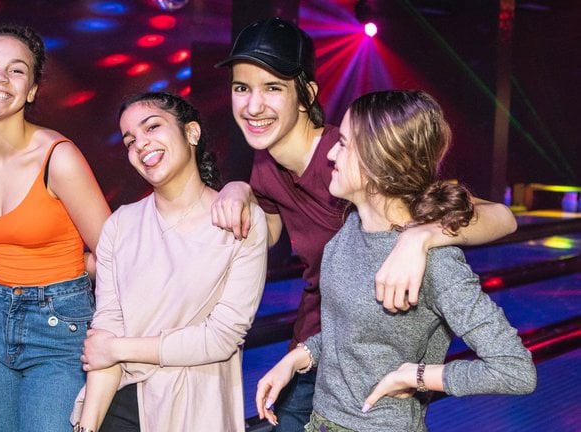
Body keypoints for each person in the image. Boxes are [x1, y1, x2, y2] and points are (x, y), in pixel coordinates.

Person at [211, 18, 518, 430]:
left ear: (306, 96)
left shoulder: (361, 162)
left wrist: (421, 236)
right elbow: (266, 236)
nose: (252, 106)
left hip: (374, 370)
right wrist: (237, 189)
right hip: (317, 346)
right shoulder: (264, 165)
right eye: (241, 88)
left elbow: (500, 216)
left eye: (272, 88)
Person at [255, 89, 537, 431]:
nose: (330, 154)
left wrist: (417, 376)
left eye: (343, 143)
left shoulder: (436, 263)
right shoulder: (350, 230)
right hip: (321, 421)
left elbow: (515, 370)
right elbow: (351, 333)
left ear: (380, 160)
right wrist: (299, 357)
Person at [0, 25, 112, 432]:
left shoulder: (58, 158)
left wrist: (72, 272)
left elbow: (115, 253)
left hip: (58, 330)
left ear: (31, 91)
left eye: (16, 70)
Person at [71, 92, 269, 432]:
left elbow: (221, 338)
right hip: (118, 402)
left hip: (194, 410)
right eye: (130, 140)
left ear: (191, 133)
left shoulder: (241, 221)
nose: (141, 144)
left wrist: (117, 349)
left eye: (152, 127)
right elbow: (106, 329)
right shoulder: (121, 225)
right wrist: (86, 428)